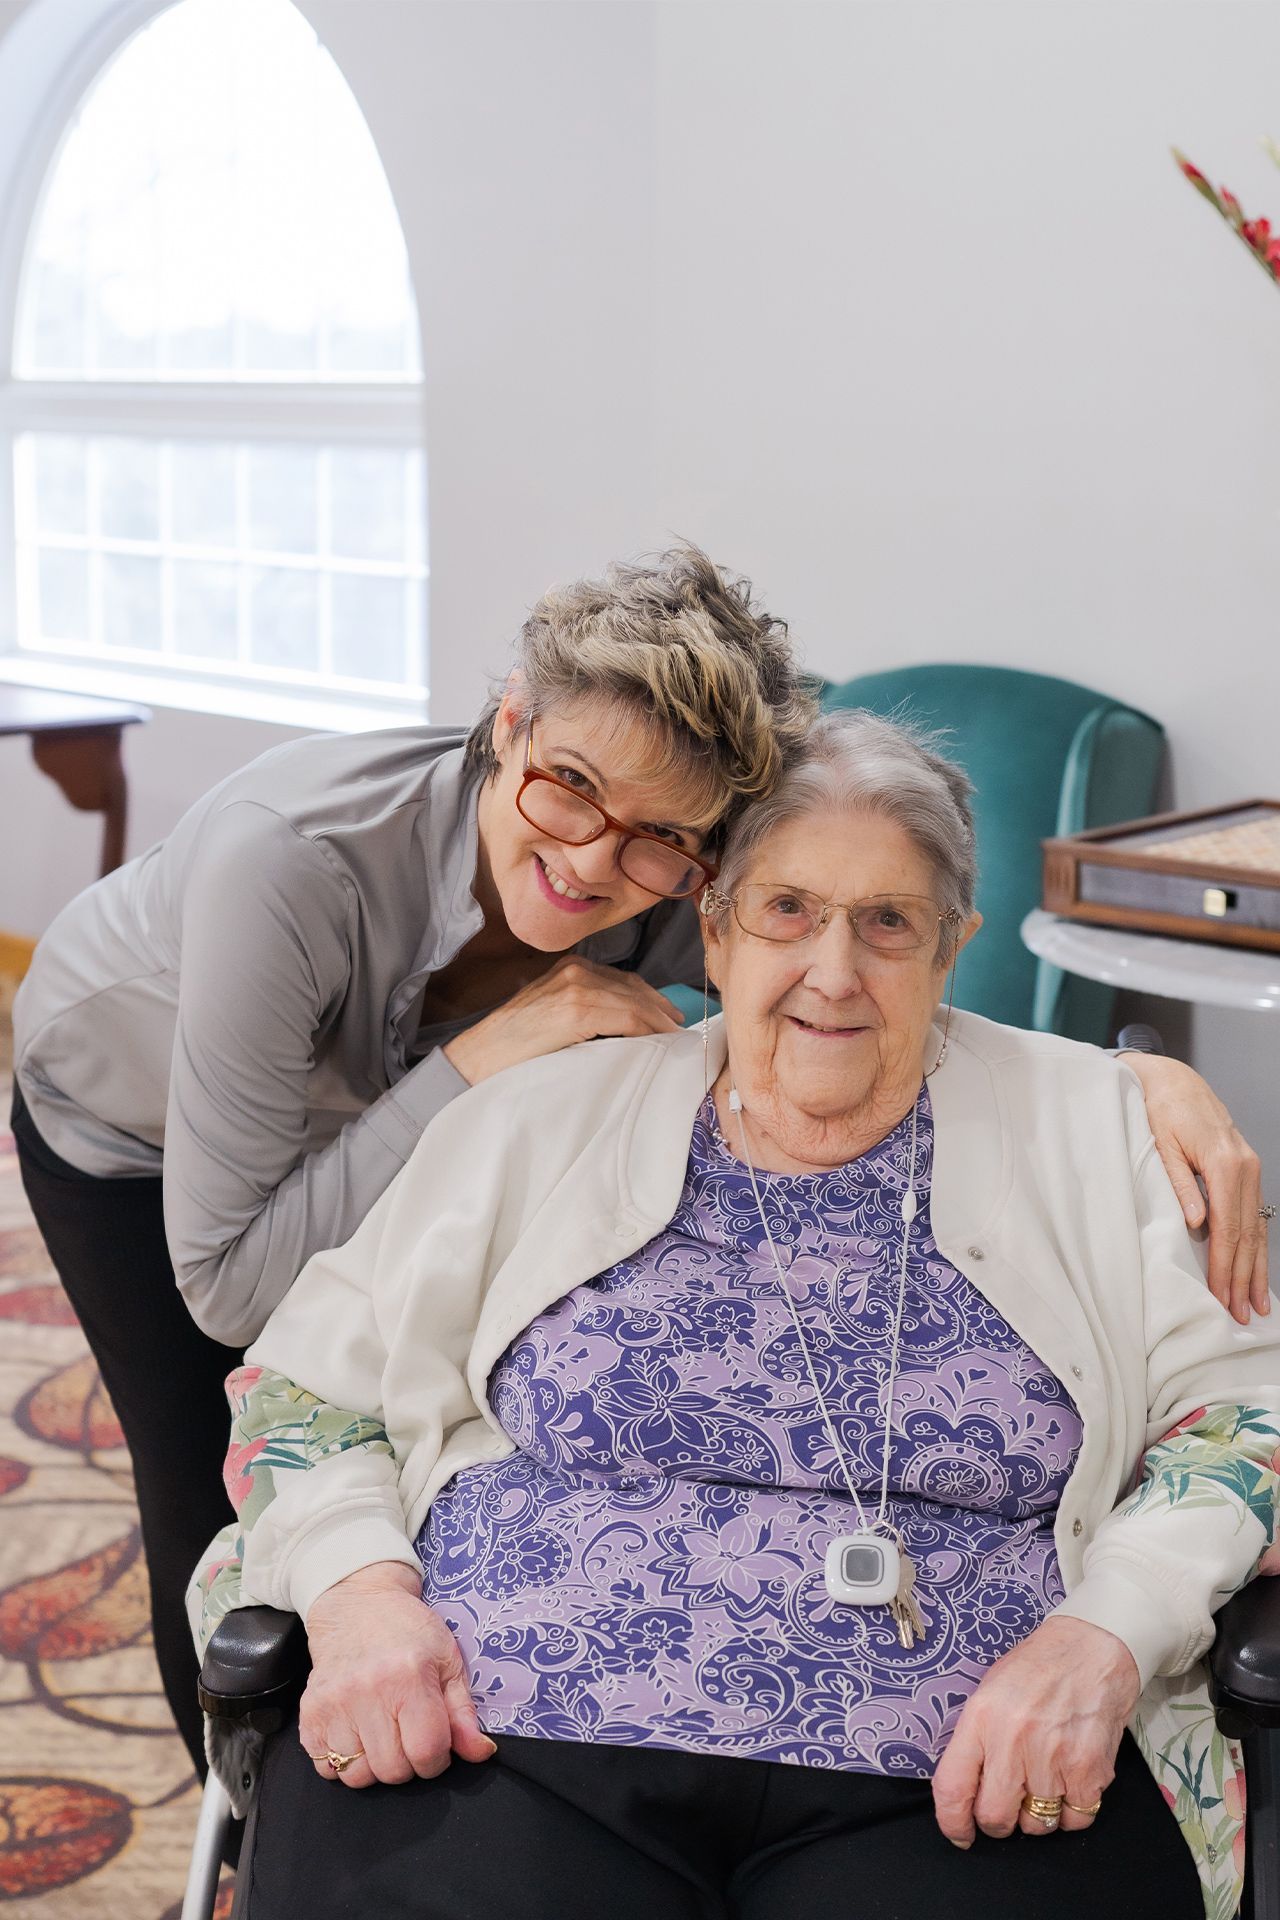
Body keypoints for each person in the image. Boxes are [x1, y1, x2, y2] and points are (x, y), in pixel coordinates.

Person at [190, 710, 1280, 1920]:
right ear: (711, 929)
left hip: (965, 1767)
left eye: (886, 923)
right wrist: (359, 1597)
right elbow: (304, 1389)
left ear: (949, 948)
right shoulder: (541, 1118)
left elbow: (1242, 1424)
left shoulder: (1100, 1132)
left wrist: (1104, 1639)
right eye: (786, 911)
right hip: (500, 1730)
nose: (833, 970)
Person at [9, 546, 815, 1773]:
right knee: (214, 1473)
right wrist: (483, 1056)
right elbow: (232, 1288)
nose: (596, 861)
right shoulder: (285, 856)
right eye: (569, 786)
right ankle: (246, 1841)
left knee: (417, 1423)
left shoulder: (667, 877)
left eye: (658, 835)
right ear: (507, 725)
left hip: (365, 1110)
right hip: (126, 1127)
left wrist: (1138, 1080)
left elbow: (855, 984)